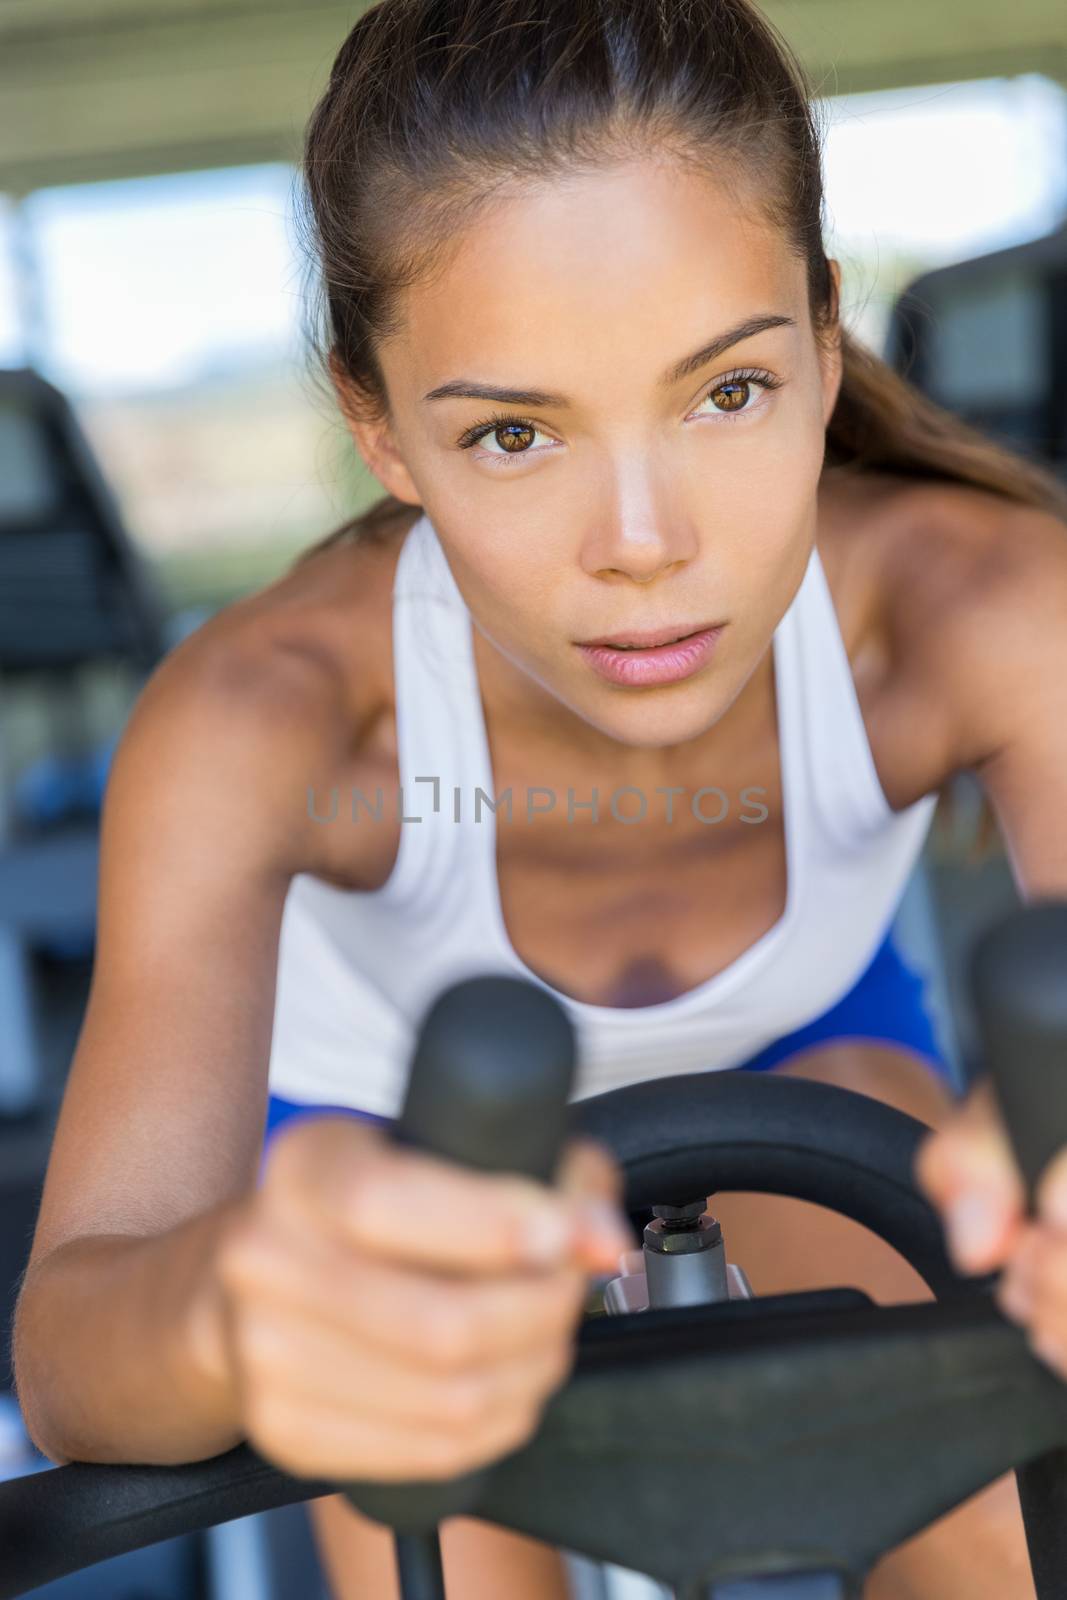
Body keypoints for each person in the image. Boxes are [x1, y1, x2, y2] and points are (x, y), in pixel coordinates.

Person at [12, 0, 1067, 1595]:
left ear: (825, 331)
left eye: (727, 392)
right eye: (513, 433)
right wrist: (243, 1304)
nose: (643, 541)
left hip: (827, 1072)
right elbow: (78, 1347)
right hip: (384, 1158)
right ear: (377, 424)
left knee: (993, 1484)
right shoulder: (261, 715)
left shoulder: (982, 608)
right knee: (427, 1510)